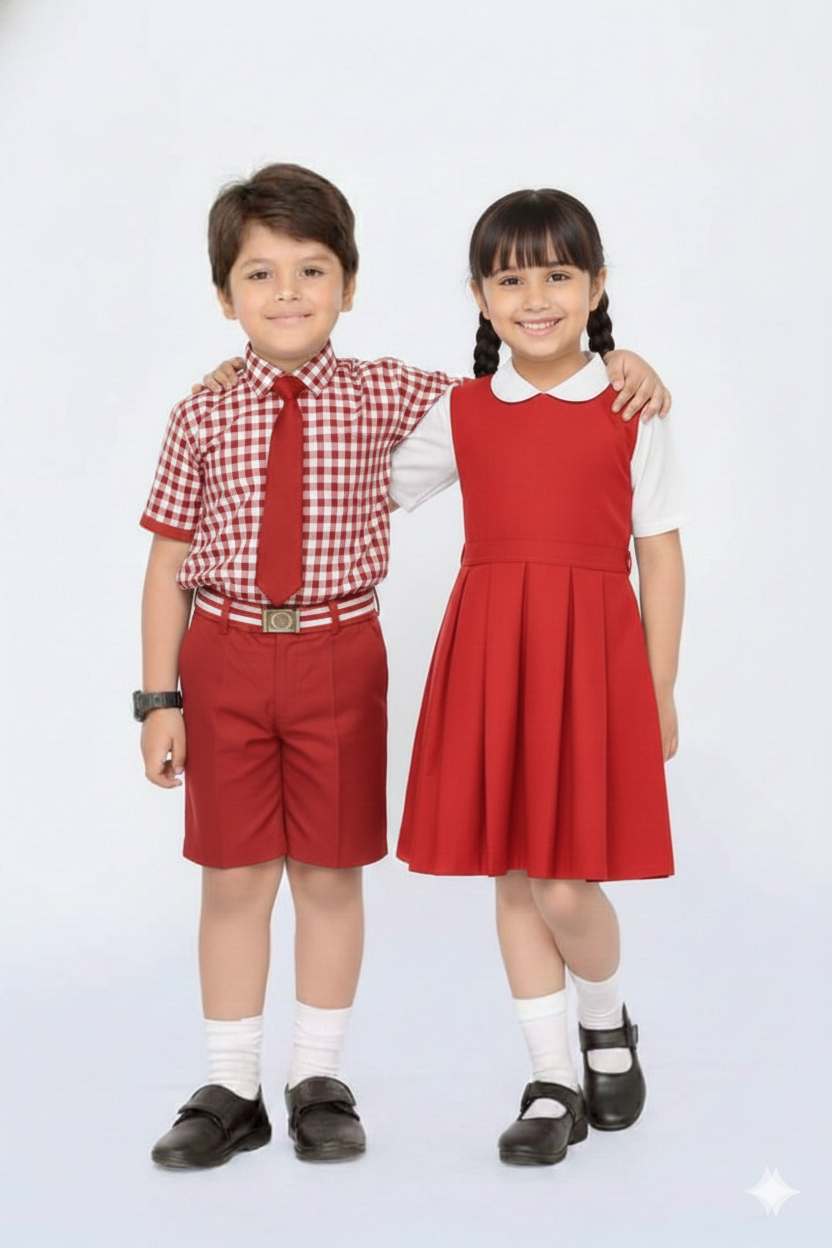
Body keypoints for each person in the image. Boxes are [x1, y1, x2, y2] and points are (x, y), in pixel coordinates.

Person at [137, 163, 671, 1171]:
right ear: (223, 295)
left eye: (311, 270)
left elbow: (529, 385)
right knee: (234, 877)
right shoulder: (203, 411)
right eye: (258, 275)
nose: (287, 293)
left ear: (349, 285)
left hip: (342, 653)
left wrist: (621, 360)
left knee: (332, 872)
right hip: (226, 653)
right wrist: (157, 696)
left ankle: (318, 1080)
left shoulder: (396, 393)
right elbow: (168, 559)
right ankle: (231, 1086)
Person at [389, 188, 686, 1167]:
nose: (535, 298)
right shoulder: (464, 409)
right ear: (481, 297)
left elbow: (660, 555)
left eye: (557, 275)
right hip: (493, 654)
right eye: (510, 280)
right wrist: (249, 375)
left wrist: (659, 688)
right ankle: (552, 1079)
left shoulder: (630, 404)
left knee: (565, 885)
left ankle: (605, 1022)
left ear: (596, 286)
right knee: (513, 875)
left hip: (591, 661)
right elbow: (361, 482)